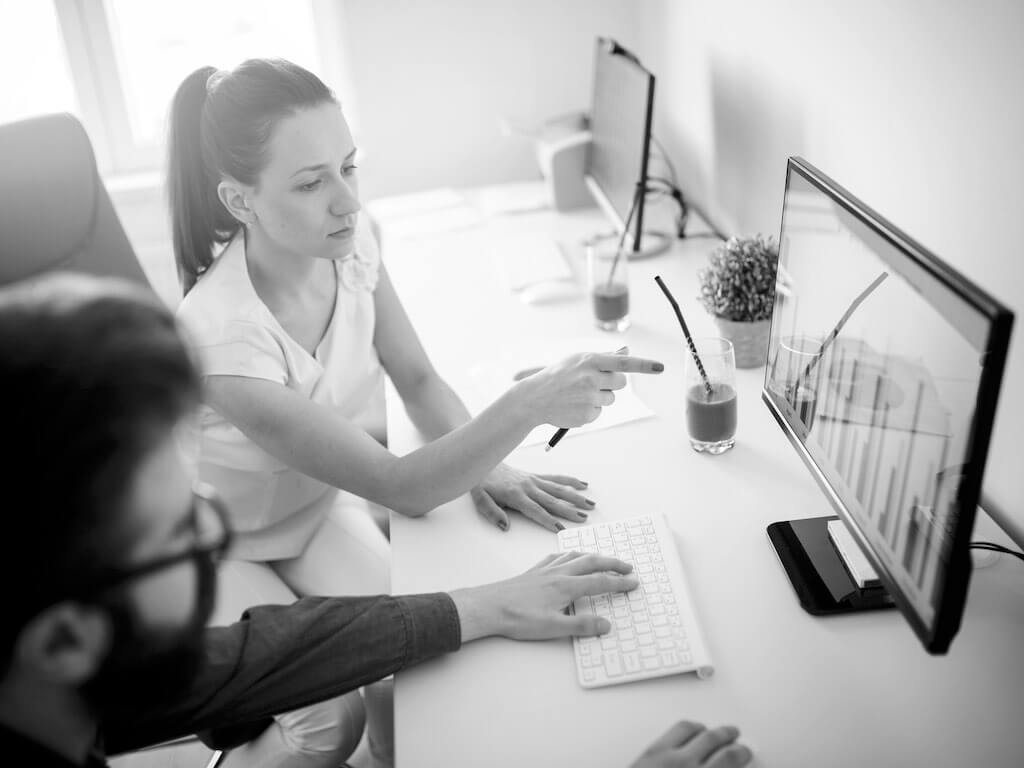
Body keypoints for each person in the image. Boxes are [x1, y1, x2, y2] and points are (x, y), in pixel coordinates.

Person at [0, 273, 753, 768]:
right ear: (66, 639)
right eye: (180, 533)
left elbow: (257, 652)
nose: (210, 523)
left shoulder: (55, 676)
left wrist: (486, 604)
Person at [167, 58, 665, 764]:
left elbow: (419, 377)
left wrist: (486, 463)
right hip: (219, 546)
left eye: (348, 167)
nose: (345, 201)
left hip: (309, 510)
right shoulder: (221, 338)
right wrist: (526, 404)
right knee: (326, 723)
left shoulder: (347, 242)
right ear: (239, 200)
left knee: (409, 669)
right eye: (311, 183)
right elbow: (402, 487)